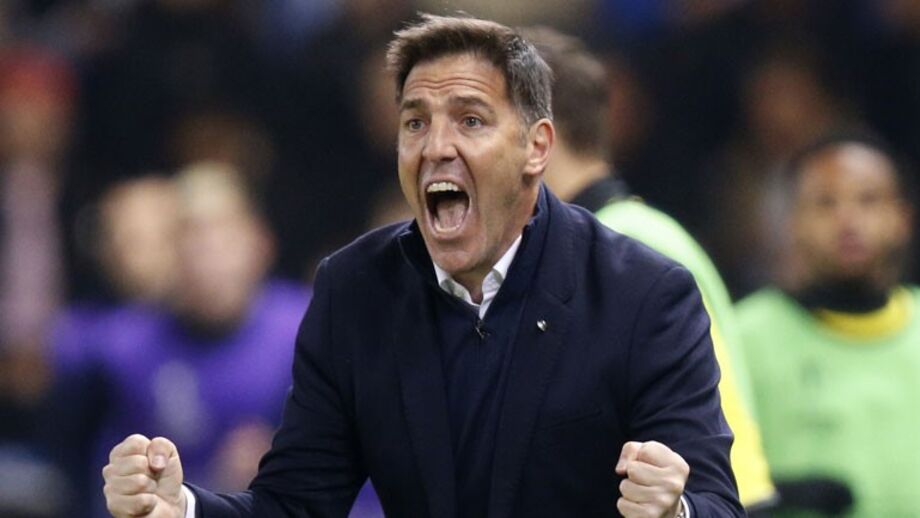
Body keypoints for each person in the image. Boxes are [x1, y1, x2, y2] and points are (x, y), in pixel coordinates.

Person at [102, 14, 742, 518]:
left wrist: (675, 511)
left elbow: (717, 503)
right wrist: (181, 507)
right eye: (415, 122)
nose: (436, 146)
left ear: (536, 147)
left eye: (470, 119)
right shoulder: (354, 289)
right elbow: (295, 505)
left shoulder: (645, 294)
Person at [529, 26, 777, 514]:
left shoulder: (627, 245)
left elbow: (707, 434)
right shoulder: (630, 232)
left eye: (477, 121)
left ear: (539, 133)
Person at [50, 163, 310, 516]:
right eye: (192, 240)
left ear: (260, 243)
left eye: (224, 240)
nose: (209, 260)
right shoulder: (120, 349)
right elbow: (100, 484)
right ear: (168, 251)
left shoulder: (309, 330)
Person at [736, 132, 919, 516]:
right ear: (792, 223)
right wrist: (781, 493)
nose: (847, 220)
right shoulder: (745, 337)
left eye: (868, 200)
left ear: (902, 218)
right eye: (825, 203)